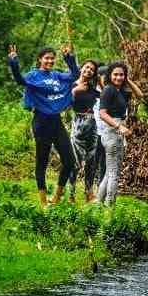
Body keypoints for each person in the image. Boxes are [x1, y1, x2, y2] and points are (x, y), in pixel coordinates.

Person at [8, 44, 79, 206]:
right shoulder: (34, 76)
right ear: (40, 59)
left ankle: (55, 198)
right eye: (47, 58)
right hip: (41, 122)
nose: (50, 61)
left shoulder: (57, 76)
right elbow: (20, 80)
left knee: (69, 161)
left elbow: (75, 74)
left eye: (52, 58)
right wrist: (13, 61)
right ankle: (43, 203)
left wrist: (69, 58)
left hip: (56, 122)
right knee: (42, 162)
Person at [96, 62, 135, 206]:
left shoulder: (121, 91)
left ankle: (98, 204)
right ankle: (109, 207)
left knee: (109, 172)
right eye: (116, 74)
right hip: (112, 132)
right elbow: (102, 114)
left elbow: (140, 94)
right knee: (114, 173)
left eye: (121, 75)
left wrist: (127, 79)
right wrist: (120, 126)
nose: (119, 77)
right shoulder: (108, 90)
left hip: (117, 132)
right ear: (109, 75)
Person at [68, 59, 100, 203]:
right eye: (87, 67)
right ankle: (71, 194)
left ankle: (89, 192)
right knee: (75, 160)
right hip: (78, 123)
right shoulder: (72, 85)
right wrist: (75, 91)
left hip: (92, 124)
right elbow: (65, 103)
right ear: (81, 68)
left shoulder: (93, 87)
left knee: (91, 161)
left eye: (92, 69)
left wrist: (100, 81)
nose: (88, 70)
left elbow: (105, 97)